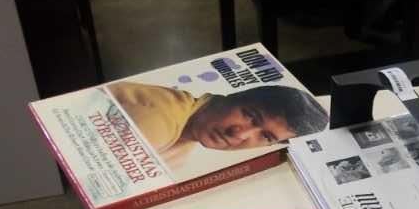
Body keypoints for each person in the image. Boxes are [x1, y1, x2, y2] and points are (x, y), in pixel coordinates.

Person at [107, 80, 328, 167]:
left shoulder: (183, 142)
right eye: (250, 115)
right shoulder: (161, 121)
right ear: (233, 97)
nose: (239, 134)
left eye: (266, 137)